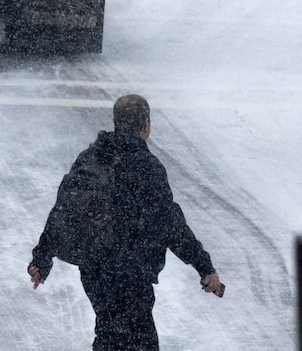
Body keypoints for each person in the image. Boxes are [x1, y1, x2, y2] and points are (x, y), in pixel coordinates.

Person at [28, 94, 225, 350]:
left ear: (116, 121)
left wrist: (42, 257)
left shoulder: (91, 157)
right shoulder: (146, 167)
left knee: (110, 333)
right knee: (135, 341)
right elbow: (171, 225)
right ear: (146, 124)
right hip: (130, 274)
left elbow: (64, 209)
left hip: (95, 270)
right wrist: (204, 266)